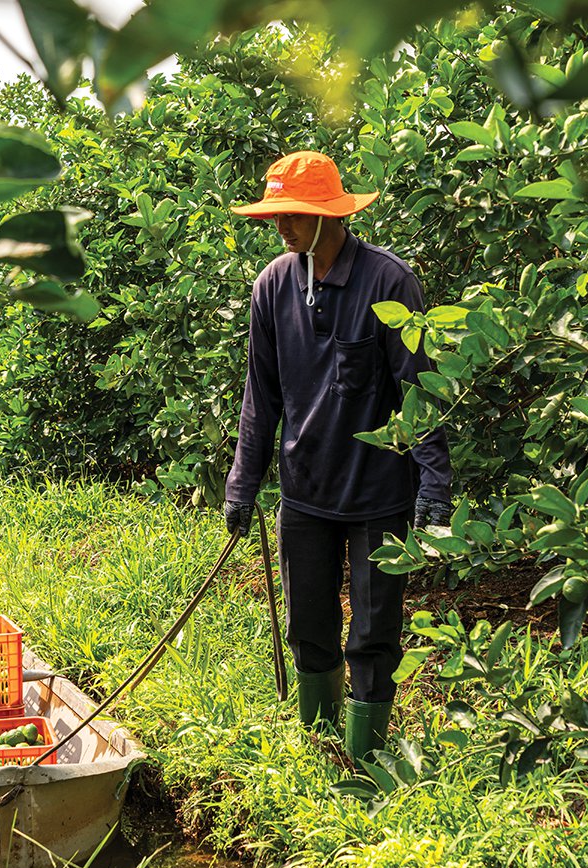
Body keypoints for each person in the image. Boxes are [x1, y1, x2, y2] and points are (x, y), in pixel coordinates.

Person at [223, 150, 452, 765]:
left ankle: (367, 763)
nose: (282, 225)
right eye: (278, 214)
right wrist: (243, 484)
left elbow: (419, 388)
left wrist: (435, 485)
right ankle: (322, 756)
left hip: (378, 494)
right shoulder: (273, 284)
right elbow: (260, 394)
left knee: (374, 636)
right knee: (309, 629)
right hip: (305, 491)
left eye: (295, 214)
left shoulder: (388, 282)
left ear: (330, 216)